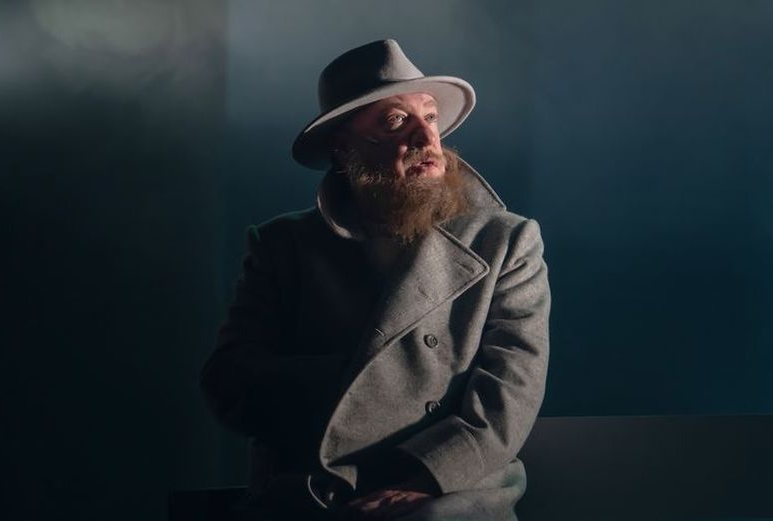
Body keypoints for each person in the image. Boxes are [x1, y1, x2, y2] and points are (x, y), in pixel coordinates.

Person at [200, 39, 551, 521]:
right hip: (315, 488)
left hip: (453, 486)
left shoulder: (506, 241)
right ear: (343, 147)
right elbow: (229, 383)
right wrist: (359, 385)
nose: (427, 139)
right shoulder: (281, 245)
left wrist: (424, 478)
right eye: (395, 121)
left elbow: (510, 394)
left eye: (430, 117)